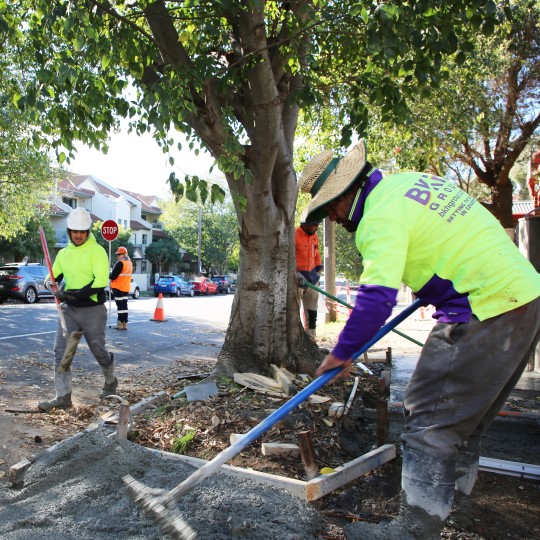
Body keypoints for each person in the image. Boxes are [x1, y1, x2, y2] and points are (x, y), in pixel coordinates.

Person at [298, 139, 540, 539]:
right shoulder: (409, 184)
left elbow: (376, 299)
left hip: (486, 306)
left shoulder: (378, 216)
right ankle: (450, 505)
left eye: (330, 209)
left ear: (345, 194)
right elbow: (447, 240)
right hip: (524, 298)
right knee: (462, 423)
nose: (333, 220)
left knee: (428, 419)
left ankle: (415, 527)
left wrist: (342, 353)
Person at [38, 207, 117, 412]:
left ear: (88, 231)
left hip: (93, 309)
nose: (79, 235)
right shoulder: (64, 254)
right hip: (69, 310)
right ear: (70, 231)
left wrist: (75, 294)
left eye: (82, 231)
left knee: (98, 351)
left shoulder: (97, 251)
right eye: (75, 231)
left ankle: (110, 381)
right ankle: (62, 396)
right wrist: (50, 285)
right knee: (62, 353)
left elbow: (100, 282)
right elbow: (52, 277)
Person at [295, 219, 323, 337]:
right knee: (293, 312)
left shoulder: (314, 237)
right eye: (314, 224)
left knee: (312, 313)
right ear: (305, 224)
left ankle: (311, 338)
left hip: (312, 279)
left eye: (318, 225)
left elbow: (316, 255)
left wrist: (318, 272)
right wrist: (295, 274)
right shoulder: (294, 236)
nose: (316, 228)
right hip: (296, 280)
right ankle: (295, 338)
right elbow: (287, 257)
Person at [109, 246, 133, 330]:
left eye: (119, 254)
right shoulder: (129, 263)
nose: (118, 256)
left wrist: (109, 275)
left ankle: (120, 323)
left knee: (120, 306)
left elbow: (113, 276)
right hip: (125, 287)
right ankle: (124, 323)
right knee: (124, 306)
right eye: (118, 254)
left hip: (118, 287)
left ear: (124, 254)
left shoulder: (120, 263)